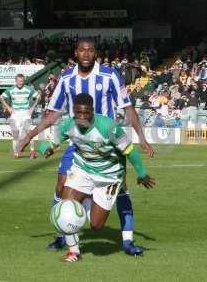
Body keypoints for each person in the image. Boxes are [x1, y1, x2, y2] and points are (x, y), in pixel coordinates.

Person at [20, 37, 154, 256]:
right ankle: (62, 235)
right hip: (77, 142)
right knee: (61, 187)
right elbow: (53, 114)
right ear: (75, 53)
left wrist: (142, 137)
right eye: (82, 50)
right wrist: (30, 135)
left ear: (95, 54)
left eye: (90, 50)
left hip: (108, 145)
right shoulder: (67, 78)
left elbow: (127, 107)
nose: (85, 54)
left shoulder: (110, 75)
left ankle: (127, 240)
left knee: (122, 189)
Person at [39, 94, 155, 262]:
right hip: (82, 170)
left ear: (93, 111)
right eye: (78, 112)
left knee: (96, 226)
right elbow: (50, 143)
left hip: (108, 176)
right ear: (73, 111)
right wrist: (46, 149)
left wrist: (142, 173)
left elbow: (130, 151)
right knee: (66, 207)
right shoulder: (68, 125)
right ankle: (74, 252)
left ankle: (87, 198)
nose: (82, 117)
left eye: (86, 113)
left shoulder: (109, 127)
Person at [0, 74, 38, 159]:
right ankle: (16, 153)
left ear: (24, 81)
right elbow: (1, 98)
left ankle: (32, 151)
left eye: (22, 81)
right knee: (15, 134)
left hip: (25, 112)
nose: (20, 83)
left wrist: (32, 108)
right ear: (15, 81)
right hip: (15, 113)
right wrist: (8, 107)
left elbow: (38, 96)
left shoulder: (28, 89)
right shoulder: (10, 90)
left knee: (29, 133)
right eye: (19, 81)